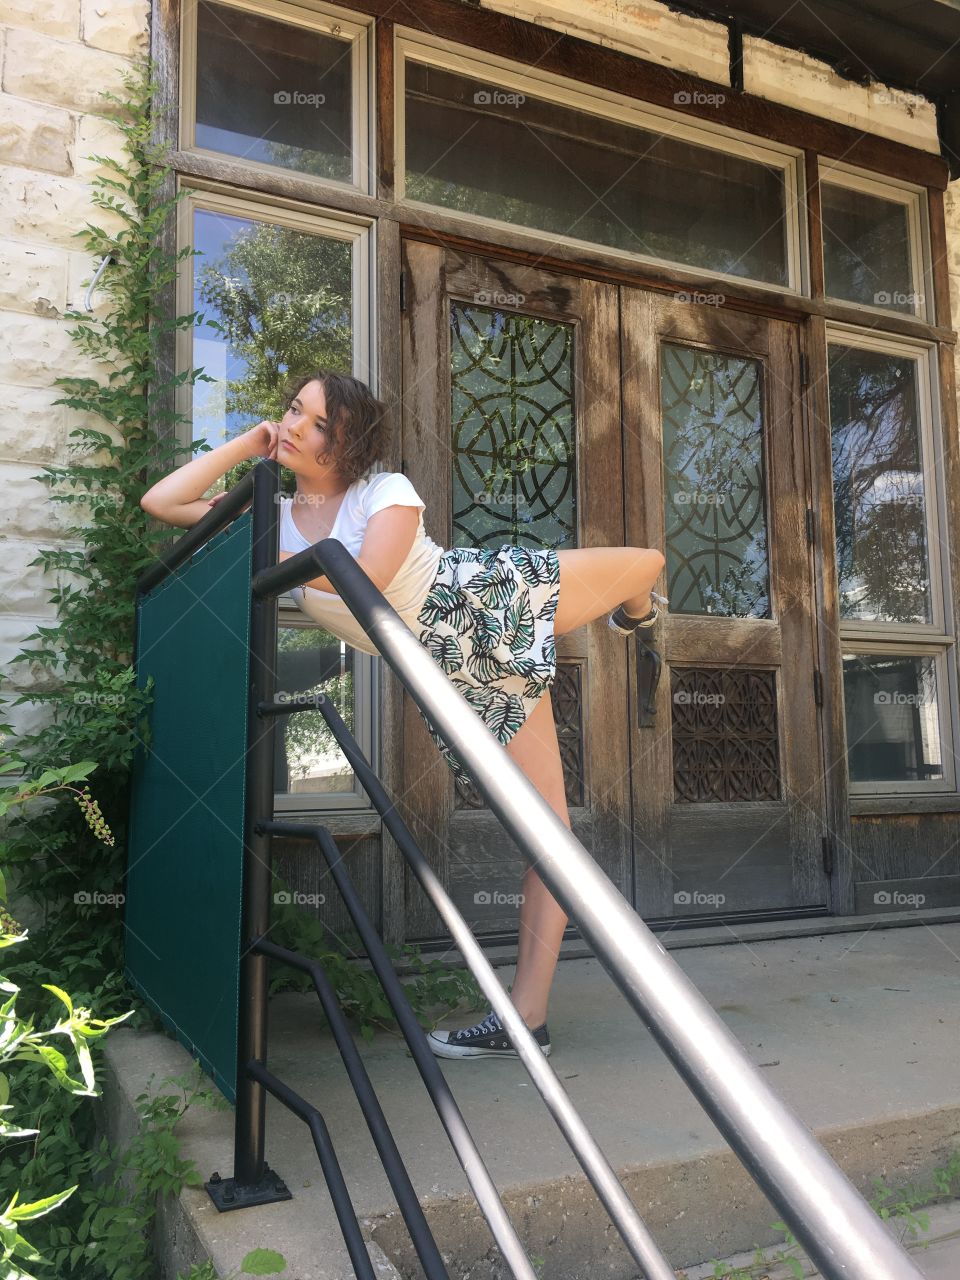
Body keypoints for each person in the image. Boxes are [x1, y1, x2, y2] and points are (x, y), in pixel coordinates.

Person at [140, 369, 666, 1061]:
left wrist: (280, 550)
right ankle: (527, 1021)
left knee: (645, 561)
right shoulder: (270, 517)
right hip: (450, 676)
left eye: (317, 422)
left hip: (480, 604)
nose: (295, 424)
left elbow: (365, 579)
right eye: (294, 410)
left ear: (350, 443)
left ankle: (641, 622)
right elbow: (162, 502)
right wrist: (250, 442)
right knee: (550, 842)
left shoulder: (383, 492)